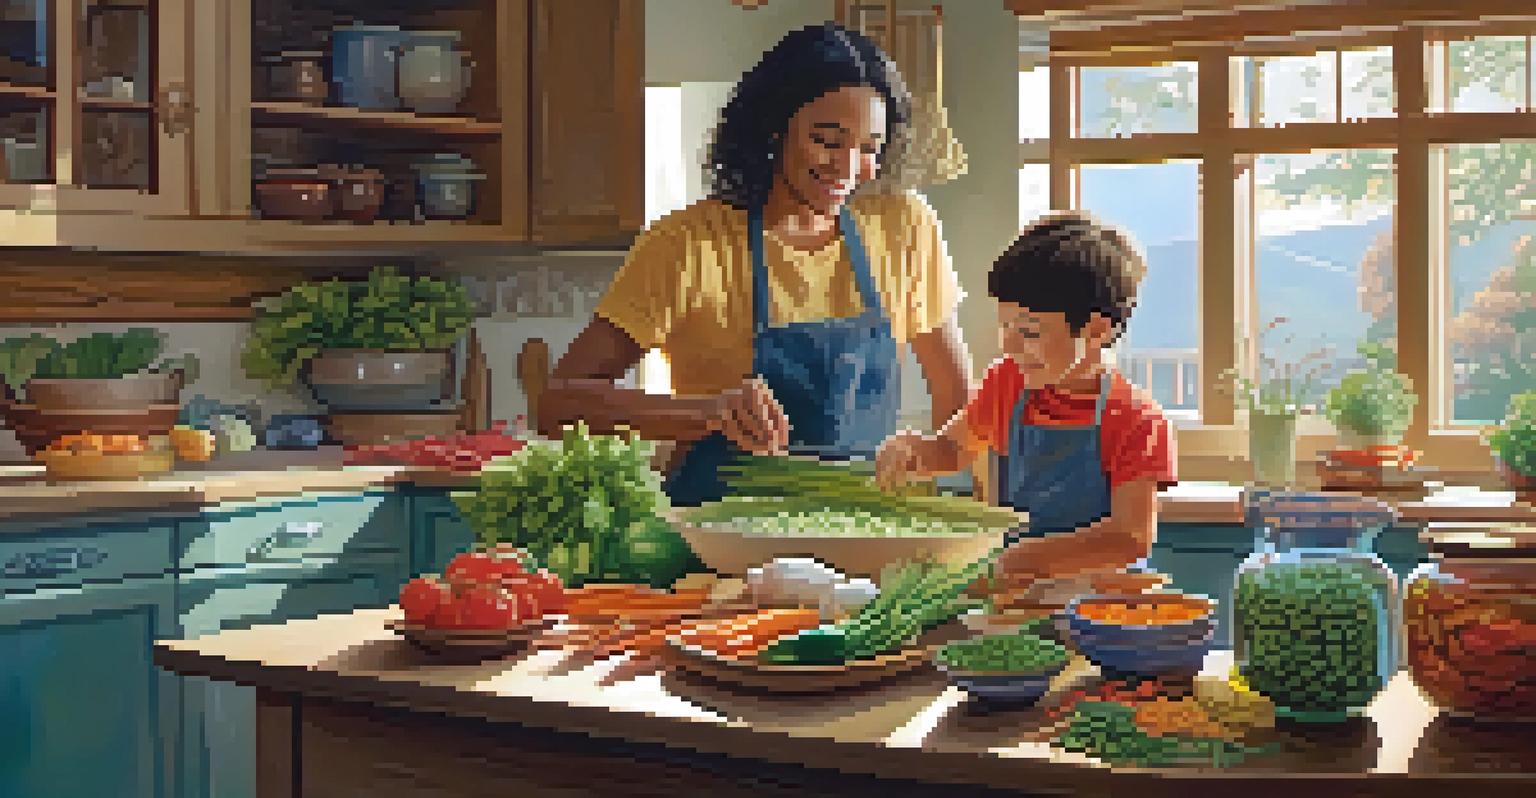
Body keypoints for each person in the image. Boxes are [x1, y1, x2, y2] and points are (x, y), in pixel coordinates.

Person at [541, 22, 971, 507]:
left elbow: (955, 396)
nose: (849, 167)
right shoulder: (685, 244)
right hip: (720, 539)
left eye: (869, 148)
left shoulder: (905, 227)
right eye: (828, 141)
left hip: (867, 530)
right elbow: (559, 403)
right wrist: (707, 412)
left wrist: (956, 506)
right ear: (774, 127)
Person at [874, 211, 1177, 595]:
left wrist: (1027, 558)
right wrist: (915, 452)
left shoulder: (1137, 419)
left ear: (1097, 330)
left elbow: (1129, 537)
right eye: (1005, 327)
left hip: (1103, 611)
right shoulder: (1008, 383)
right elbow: (953, 448)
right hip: (1018, 598)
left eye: (1029, 332)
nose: (1010, 345)